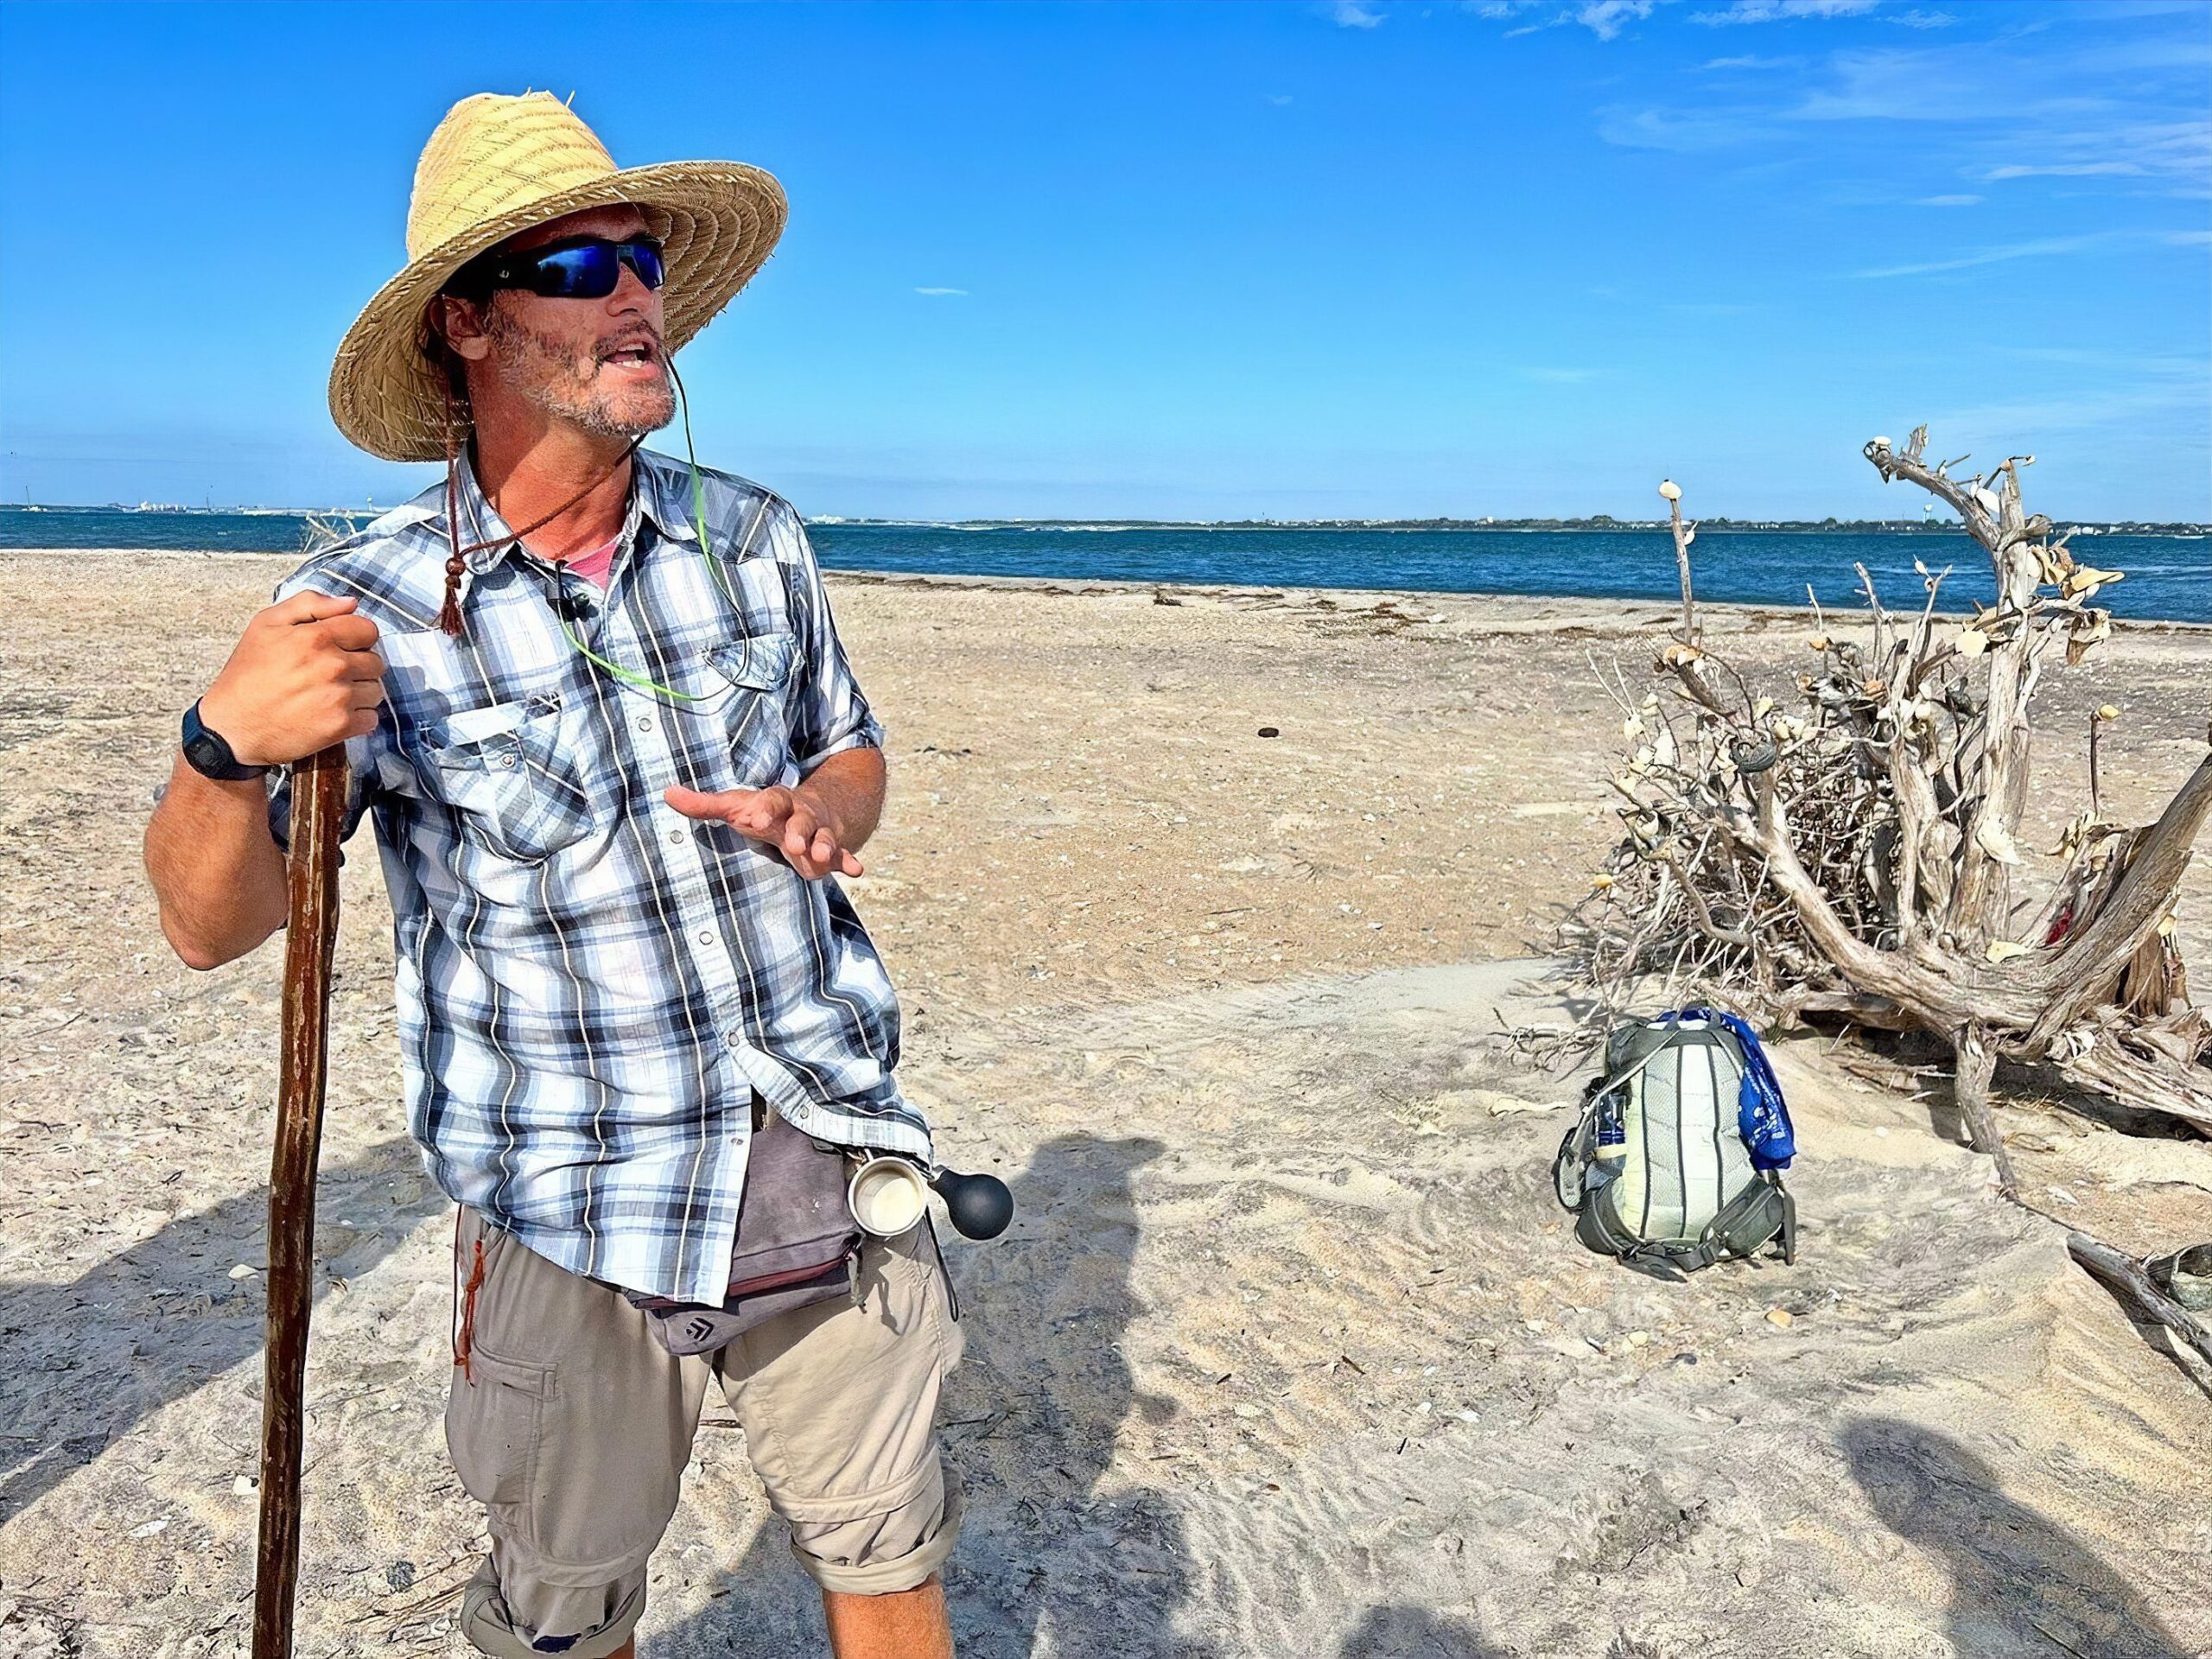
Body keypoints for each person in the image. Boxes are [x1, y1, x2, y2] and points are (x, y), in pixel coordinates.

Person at [142, 92, 962, 1659]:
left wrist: (824, 807)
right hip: (564, 1199)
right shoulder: (362, 608)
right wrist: (218, 748)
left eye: (642, 258)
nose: (637, 295)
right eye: (581, 267)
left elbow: (854, 751)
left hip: (817, 1133)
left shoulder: (757, 539)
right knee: (569, 1618)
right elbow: (208, 927)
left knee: (890, 1555)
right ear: (469, 324)